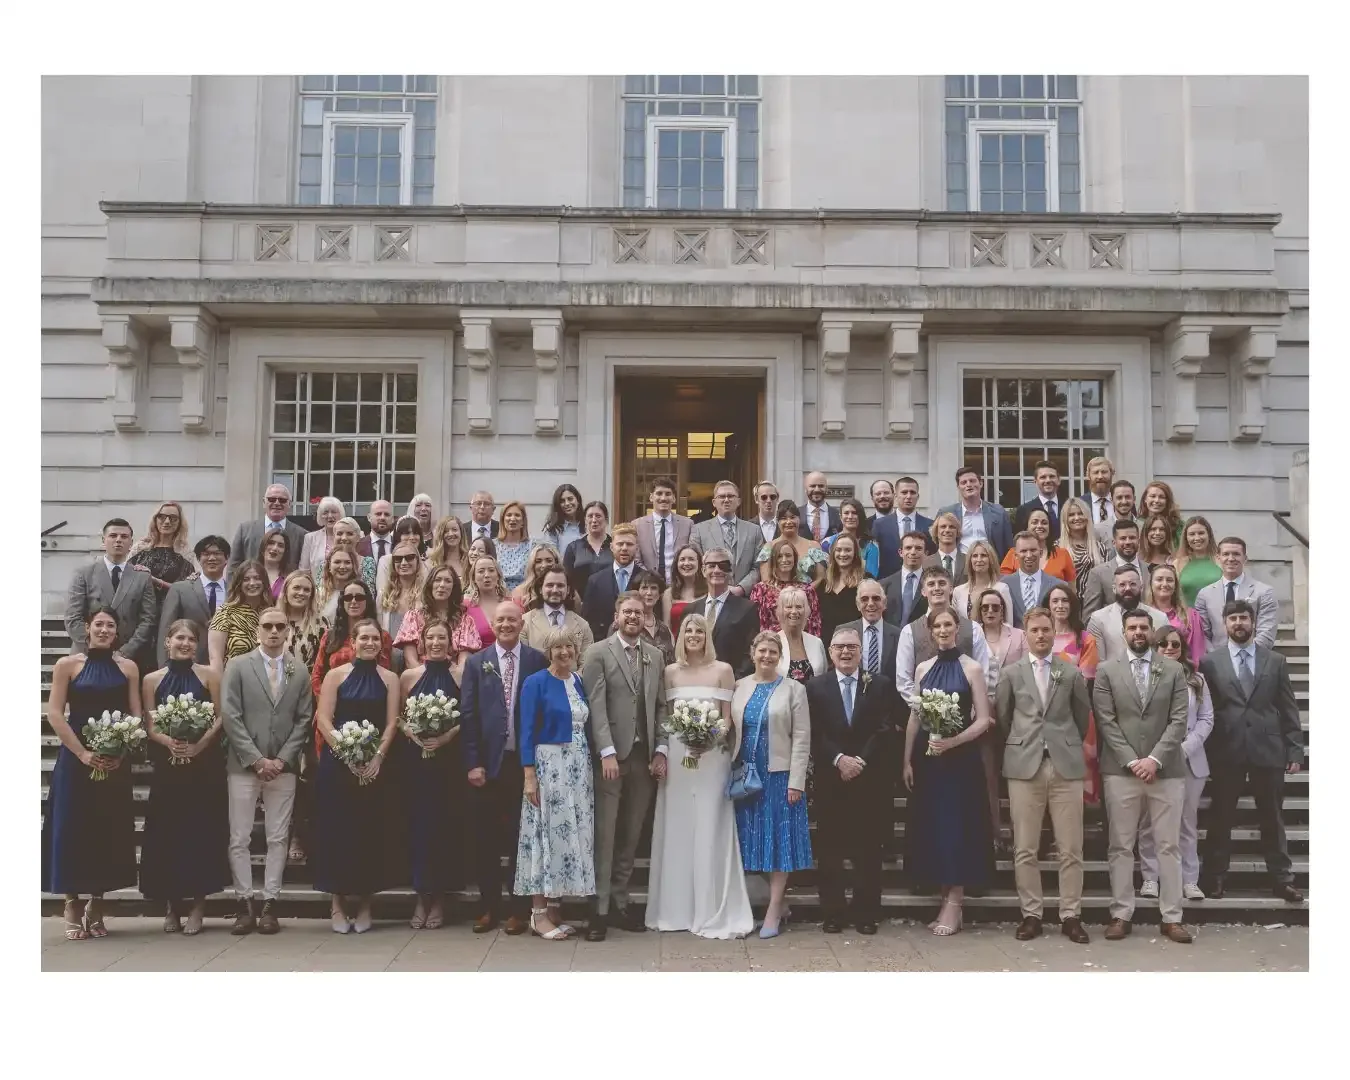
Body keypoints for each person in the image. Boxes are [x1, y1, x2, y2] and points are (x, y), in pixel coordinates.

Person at [646, 614, 751, 937]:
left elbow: (727, 718)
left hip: (712, 756)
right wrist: (674, 747)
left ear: (708, 636)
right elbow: (666, 716)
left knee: (710, 823)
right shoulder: (670, 672)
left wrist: (708, 740)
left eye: (700, 631)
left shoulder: (723, 670)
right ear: (681, 636)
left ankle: (711, 906)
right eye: (689, 630)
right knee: (678, 826)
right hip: (680, 756)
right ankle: (675, 909)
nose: (694, 635)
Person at [41, 608, 142, 940]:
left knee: (106, 828)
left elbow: (135, 714)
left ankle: (97, 903)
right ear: (87, 628)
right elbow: (55, 714)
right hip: (76, 759)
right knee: (73, 828)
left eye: (110, 625)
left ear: (117, 632)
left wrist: (121, 752)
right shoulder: (67, 665)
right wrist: (82, 753)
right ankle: (71, 902)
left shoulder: (128, 668)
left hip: (113, 761)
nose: (104, 629)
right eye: (98, 624)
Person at [1093, 609, 1193, 943]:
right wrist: (1132, 761)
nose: (1138, 632)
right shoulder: (1107, 670)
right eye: (1132, 627)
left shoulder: (1173, 670)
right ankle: (1121, 913)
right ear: (1123, 632)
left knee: (1168, 845)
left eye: (1143, 627)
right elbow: (1106, 721)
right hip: (1121, 771)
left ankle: (1172, 916)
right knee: (1121, 845)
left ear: (1152, 631)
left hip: (1166, 771)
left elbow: (1179, 720)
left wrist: (1154, 759)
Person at [995, 607, 1093, 943]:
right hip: (1025, 765)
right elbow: (1004, 717)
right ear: (1026, 635)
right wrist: (1024, 744)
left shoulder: (1071, 672)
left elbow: (1082, 717)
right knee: (1025, 846)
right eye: (1034, 630)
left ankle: (1071, 914)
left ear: (1054, 632)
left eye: (1046, 630)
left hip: (1065, 765)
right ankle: (1031, 914)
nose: (1040, 635)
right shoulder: (1011, 673)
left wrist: (1063, 743)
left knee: (1071, 847)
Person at [1199, 600, 1304, 904]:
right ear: (1225, 624)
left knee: (1272, 816)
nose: (1238, 623)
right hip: (1226, 748)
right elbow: (1207, 710)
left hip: (1267, 749)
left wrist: (1295, 751)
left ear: (1253, 622)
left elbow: (1288, 708)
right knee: (1221, 817)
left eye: (1244, 618)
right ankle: (1215, 877)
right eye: (1232, 618)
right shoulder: (1210, 662)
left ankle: (1282, 880)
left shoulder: (1275, 661)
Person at [220, 607, 314, 936]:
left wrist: (283, 759)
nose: (274, 632)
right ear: (257, 630)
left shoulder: (299, 670)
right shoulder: (237, 665)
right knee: (239, 836)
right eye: (267, 626)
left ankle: (271, 902)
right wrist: (256, 759)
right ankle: (244, 903)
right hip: (244, 765)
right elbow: (230, 714)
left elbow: (304, 719)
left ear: (288, 631)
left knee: (278, 837)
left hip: (283, 768)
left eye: (279, 626)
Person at [581, 592, 670, 940]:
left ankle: (620, 902)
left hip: (642, 757)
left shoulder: (655, 655)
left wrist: (661, 748)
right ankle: (598, 909)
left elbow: (661, 705)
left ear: (646, 616)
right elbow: (596, 705)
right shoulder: (597, 652)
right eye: (627, 612)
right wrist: (605, 751)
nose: (633, 617)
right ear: (616, 615)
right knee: (605, 835)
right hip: (610, 758)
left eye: (639, 612)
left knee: (631, 835)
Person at [903, 608, 995, 936]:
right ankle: (944, 896)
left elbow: (983, 719)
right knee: (936, 827)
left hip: (960, 760)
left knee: (958, 827)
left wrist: (953, 741)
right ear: (930, 631)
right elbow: (915, 716)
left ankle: (955, 902)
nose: (943, 630)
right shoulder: (923, 668)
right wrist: (906, 760)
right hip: (929, 760)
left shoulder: (972, 668)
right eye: (937, 625)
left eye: (948, 624)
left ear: (957, 628)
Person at [460, 602, 547, 934]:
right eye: (501, 620)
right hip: (487, 764)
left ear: (521, 623)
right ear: (492, 625)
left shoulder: (537, 660)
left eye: (512, 619)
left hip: (522, 764)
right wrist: (473, 763)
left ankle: (518, 910)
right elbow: (468, 715)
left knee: (519, 839)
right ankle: (488, 907)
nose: (506, 625)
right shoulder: (476, 663)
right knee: (485, 839)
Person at [139, 620, 228, 935]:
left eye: (191, 639)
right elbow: (150, 722)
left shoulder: (210, 675)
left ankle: (198, 907)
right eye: (180, 638)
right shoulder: (151, 679)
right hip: (169, 766)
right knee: (168, 834)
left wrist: (198, 745)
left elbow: (220, 716)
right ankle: (171, 906)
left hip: (203, 766)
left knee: (200, 834)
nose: (186, 643)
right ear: (168, 642)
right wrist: (170, 742)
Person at [313, 618, 402, 933]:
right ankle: (337, 904)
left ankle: (365, 904)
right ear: (353, 641)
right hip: (339, 765)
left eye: (375, 639)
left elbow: (392, 722)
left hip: (374, 766)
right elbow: (324, 719)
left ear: (381, 644)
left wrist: (377, 757)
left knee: (369, 833)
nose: (370, 643)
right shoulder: (335, 675)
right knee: (338, 832)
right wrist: (346, 754)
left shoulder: (390, 678)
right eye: (364, 638)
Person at [807, 626, 897, 934]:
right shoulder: (815, 687)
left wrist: (860, 760)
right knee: (830, 850)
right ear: (830, 652)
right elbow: (813, 730)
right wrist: (838, 759)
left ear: (861, 652)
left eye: (852, 647)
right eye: (840, 647)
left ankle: (866, 912)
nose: (846, 652)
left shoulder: (880, 685)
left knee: (868, 849)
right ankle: (833, 912)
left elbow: (885, 727)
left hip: (868, 778)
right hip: (831, 778)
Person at [513, 628, 597, 939]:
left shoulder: (577, 681)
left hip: (578, 768)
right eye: (557, 647)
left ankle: (554, 908)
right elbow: (525, 730)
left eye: (569, 646)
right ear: (548, 652)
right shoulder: (535, 682)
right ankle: (538, 915)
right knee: (544, 834)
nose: (564, 652)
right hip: (549, 766)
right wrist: (529, 775)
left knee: (566, 835)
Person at [732, 632, 812, 938]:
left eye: (772, 652)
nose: (766, 656)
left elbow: (802, 737)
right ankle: (764, 905)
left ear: (780, 657)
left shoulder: (794, 689)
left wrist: (797, 781)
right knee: (751, 841)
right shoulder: (739, 686)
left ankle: (774, 909)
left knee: (779, 844)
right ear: (752, 653)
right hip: (746, 776)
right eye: (762, 650)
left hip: (779, 776)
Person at [399, 618, 467, 931]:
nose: (436, 643)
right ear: (422, 642)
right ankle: (420, 896)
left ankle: (439, 897)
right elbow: (398, 717)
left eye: (442, 638)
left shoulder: (461, 674)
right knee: (419, 828)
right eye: (431, 638)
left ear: (451, 643)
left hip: (449, 762)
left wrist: (446, 736)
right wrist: (413, 733)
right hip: (417, 762)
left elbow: (469, 715)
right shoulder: (409, 676)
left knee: (444, 828)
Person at [1137, 625, 1214, 903]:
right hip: (1154, 759)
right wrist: (1158, 753)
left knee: (1186, 822)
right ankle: (1150, 877)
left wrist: (1184, 748)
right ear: (1154, 647)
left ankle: (1189, 879)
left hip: (1189, 759)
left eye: (1175, 644)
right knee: (1150, 821)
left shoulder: (1197, 680)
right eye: (1163, 644)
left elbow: (1206, 718)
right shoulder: (1143, 677)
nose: (1169, 648)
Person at [277, 569, 326, 863]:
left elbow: (322, 668)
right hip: (276, 704)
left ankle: (299, 833)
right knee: (281, 770)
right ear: (286, 590)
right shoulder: (272, 621)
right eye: (296, 588)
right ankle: (278, 834)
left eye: (307, 589)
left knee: (306, 772)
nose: (301, 593)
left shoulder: (321, 625)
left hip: (309, 703)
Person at [310, 583, 392, 753]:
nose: (353, 601)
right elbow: (317, 675)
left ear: (367, 601)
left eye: (359, 597)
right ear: (342, 602)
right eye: (348, 597)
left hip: (368, 711)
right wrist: (325, 706)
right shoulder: (330, 636)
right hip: (332, 714)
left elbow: (383, 675)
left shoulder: (381, 637)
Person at [895, 567, 993, 705]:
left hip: (965, 711)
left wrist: (972, 707)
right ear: (923, 591)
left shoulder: (974, 628)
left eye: (942, 583)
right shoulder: (909, 631)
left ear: (951, 588)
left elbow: (984, 674)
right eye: (931, 584)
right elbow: (903, 680)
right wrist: (928, 709)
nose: (937, 588)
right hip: (925, 712)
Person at [64, 518, 157, 661]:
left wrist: (125, 652)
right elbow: (73, 617)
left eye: (124, 537)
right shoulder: (84, 573)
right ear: (103, 540)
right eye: (113, 536)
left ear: (131, 543)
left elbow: (148, 620)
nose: (118, 540)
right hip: (86, 654)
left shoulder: (142, 577)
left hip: (126, 657)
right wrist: (94, 646)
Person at [1045, 583, 1103, 808]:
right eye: (1055, 601)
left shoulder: (1086, 639)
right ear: (1048, 606)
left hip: (1077, 711)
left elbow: (1084, 678)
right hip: (1043, 714)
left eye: (1065, 600)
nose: (1060, 605)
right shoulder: (1038, 636)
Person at [978, 588, 1025, 854]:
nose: (990, 612)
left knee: (1018, 777)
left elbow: (1027, 671)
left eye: (995, 607)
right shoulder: (972, 636)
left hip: (1016, 715)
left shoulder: (1019, 636)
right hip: (982, 716)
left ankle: (1022, 838)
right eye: (985, 607)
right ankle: (995, 834)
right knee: (988, 779)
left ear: (1003, 610)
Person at [128, 502, 199, 668]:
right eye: (162, 517)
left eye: (173, 518)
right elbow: (126, 579)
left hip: (170, 614)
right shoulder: (140, 548)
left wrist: (155, 581)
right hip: (139, 614)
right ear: (155, 519)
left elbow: (188, 589)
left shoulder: (186, 552)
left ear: (179, 523)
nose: (167, 521)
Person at [394, 563, 483, 681]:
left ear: (454, 587)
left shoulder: (465, 621)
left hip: (453, 680)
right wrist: (427, 680)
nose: (442, 585)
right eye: (437, 580)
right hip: (420, 679)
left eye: (447, 581)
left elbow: (463, 664)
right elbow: (410, 660)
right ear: (430, 584)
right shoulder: (413, 617)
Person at [1195, 536, 1279, 650]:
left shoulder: (1264, 592)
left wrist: (1244, 655)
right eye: (1226, 554)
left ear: (1245, 558)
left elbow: (1266, 633)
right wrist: (1216, 657)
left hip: (1253, 657)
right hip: (1216, 657)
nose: (1231, 558)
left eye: (1236, 554)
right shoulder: (1204, 594)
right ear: (1218, 558)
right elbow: (1203, 634)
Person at [157, 535, 230, 667]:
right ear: (198, 559)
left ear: (227, 558)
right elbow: (166, 629)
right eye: (206, 554)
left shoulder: (234, 592)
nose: (212, 558)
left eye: (217, 553)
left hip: (226, 664)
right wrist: (164, 667)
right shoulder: (180, 589)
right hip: (188, 664)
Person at [687, 547, 759, 679]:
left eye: (723, 566)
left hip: (730, 683)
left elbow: (750, 652)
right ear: (703, 570)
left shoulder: (747, 608)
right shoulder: (691, 609)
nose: (717, 570)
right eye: (711, 566)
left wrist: (733, 682)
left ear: (731, 571)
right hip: (693, 680)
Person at [1084, 565, 1168, 663]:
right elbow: (1098, 662)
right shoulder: (1098, 619)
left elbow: (1165, 658)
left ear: (1141, 587)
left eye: (1132, 584)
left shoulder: (1160, 618)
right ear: (1114, 589)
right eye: (1122, 585)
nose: (1128, 588)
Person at [691, 480, 763, 594]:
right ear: (714, 502)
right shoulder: (699, 530)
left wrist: (741, 588)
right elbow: (697, 566)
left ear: (738, 501)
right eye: (721, 496)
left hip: (745, 597)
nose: (726, 500)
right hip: (712, 595)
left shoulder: (754, 530)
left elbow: (758, 566)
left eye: (730, 496)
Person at [939, 465, 1014, 561]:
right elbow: (937, 543)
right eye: (964, 482)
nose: (968, 485)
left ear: (981, 483)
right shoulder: (947, 513)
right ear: (958, 487)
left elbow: (1009, 546)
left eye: (972, 481)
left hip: (991, 566)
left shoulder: (999, 512)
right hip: (959, 566)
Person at [582, 522, 641, 643]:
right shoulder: (595, 581)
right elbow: (587, 620)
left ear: (637, 548)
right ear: (611, 547)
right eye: (620, 544)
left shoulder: (645, 579)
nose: (624, 548)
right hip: (603, 644)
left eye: (629, 544)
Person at [751, 536, 823, 636]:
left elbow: (815, 623)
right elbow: (753, 624)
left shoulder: (807, 590)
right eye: (779, 556)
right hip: (771, 642)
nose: (784, 560)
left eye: (788, 555)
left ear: (794, 559)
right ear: (773, 560)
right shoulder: (761, 589)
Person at [227, 484, 307, 573]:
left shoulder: (302, 535)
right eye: (271, 499)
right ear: (264, 502)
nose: (277, 503)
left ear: (289, 504)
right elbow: (233, 567)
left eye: (282, 500)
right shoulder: (245, 530)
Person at [207, 560, 271, 671]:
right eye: (246, 579)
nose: (252, 583)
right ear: (239, 584)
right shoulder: (225, 612)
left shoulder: (270, 613)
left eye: (257, 578)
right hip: (233, 677)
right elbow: (215, 658)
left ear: (264, 582)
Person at [1081, 519, 1148, 621]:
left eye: (1132, 538)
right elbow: (1089, 616)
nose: (1128, 542)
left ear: (1139, 541)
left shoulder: (1151, 570)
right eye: (1123, 538)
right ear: (1114, 543)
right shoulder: (1098, 573)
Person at [521, 565, 595, 656]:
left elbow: (587, 660)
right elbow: (523, 659)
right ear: (540, 589)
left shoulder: (583, 625)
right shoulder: (524, 623)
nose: (555, 590)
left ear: (568, 590)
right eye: (550, 585)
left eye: (560, 586)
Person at [838, 578, 900, 684]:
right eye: (864, 599)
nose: (870, 603)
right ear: (858, 605)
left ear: (884, 603)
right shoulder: (843, 632)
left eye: (876, 598)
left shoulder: (899, 635)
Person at [633, 475, 693, 585]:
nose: (663, 498)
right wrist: (651, 580)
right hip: (649, 586)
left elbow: (692, 556)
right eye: (659, 493)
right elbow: (636, 559)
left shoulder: (687, 524)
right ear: (651, 497)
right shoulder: (637, 525)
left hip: (679, 585)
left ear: (674, 498)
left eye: (668, 494)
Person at [1001, 530, 1069, 628]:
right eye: (1023, 551)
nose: (1029, 555)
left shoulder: (1058, 585)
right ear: (1015, 555)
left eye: (1033, 550)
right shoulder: (1004, 585)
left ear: (1040, 553)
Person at [752, 500, 827, 585]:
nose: (788, 522)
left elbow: (820, 578)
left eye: (792, 517)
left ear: (799, 519)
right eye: (784, 518)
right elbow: (766, 580)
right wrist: (784, 592)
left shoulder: (814, 546)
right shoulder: (769, 547)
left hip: (808, 592)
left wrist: (805, 591)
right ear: (777, 521)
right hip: (775, 592)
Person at [610, 569, 675, 665]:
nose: (649, 593)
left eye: (653, 588)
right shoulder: (623, 623)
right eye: (644, 588)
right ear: (637, 592)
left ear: (659, 594)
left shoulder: (664, 629)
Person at [999, 507, 1076, 585]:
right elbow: (1004, 585)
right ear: (1027, 526)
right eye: (1034, 522)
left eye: (1044, 523)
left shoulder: (1062, 554)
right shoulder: (1013, 553)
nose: (1039, 526)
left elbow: (1071, 587)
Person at [1147, 564, 1205, 665]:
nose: (1165, 584)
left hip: (1184, 670)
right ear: (1151, 584)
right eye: (1159, 579)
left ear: (1175, 586)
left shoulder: (1191, 615)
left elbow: (1198, 652)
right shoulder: (1144, 615)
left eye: (1169, 580)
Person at [378, 539, 426, 657]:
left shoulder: (427, 594)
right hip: (389, 657)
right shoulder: (384, 595)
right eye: (398, 559)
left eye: (409, 558)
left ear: (417, 561)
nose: (404, 563)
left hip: (418, 656)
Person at [814, 533, 864, 646]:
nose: (842, 554)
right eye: (839, 550)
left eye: (848, 550)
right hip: (826, 645)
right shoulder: (824, 584)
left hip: (852, 645)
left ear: (855, 553)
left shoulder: (864, 581)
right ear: (833, 553)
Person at [1060, 496, 1109, 609]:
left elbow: (1106, 581)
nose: (1077, 518)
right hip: (1066, 606)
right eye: (1071, 515)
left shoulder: (1100, 548)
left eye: (1080, 513)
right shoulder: (1057, 548)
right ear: (1065, 519)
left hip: (1095, 606)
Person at [952, 539, 1012, 625]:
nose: (979, 559)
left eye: (983, 555)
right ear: (970, 560)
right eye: (975, 556)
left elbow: (1008, 624)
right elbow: (955, 624)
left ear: (991, 560)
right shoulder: (958, 591)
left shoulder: (1002, 589)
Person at [774, 585, 826, 683]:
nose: (794, 611)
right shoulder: (773, 643)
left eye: (798, 607)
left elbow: (824, 676)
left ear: (806, 611)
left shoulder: (816, 642)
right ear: (780, 611)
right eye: (789, 607)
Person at [563, 499, 613, 599]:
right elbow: (566, 578)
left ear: (606, 520)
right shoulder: (574, 548)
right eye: (590, 516)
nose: (594, 520)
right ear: (585, 520)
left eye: (598, 516)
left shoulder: (615, 546)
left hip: (611, 601)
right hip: (581, 602)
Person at [822, 497, 880, 578]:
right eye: (846, 513)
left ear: (860, 516)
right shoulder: (827, 543)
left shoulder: (870, 545)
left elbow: (871, 577)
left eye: (854, 513)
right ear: (840, 517)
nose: (850, 516)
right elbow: (823, 574)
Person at [880, 530, 929, 628]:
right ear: (901, 552)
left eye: (918, 548)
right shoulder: (883, 585)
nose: (913, 552)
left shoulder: (932, 584)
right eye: (908, 548)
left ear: (926, 553)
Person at [1173, 515, 1222, 608]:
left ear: (1209, 535)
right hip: (1187, 615)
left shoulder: (1221, 561)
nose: (1197, 538)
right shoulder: (1178, 564)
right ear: (1186, 538)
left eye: (1201, 533)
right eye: (1192, 534)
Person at [320, 517, 379, 594]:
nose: (344, 538)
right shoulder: (324, 563)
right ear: (334, 537)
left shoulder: (367, 563)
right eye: (340, 533)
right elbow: (318, 593)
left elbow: (369, 595)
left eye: (349, 534)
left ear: (358, 538)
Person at [464, 554, 508, 648]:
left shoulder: (510, 603)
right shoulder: (465, 607)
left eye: (491, 570)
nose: (487, 575)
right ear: (474, 578)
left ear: (498, 576)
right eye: (481, 571)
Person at [373, 516, 426, 595]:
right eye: (406, 533)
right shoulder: (386, 561)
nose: (412, 537)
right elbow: (382, 592)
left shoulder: (428, 561)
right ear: (398, 536)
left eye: (415, 533)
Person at [661, 542, 707, 631]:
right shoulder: (668, 594)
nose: (686, 563)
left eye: (691, 559)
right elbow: (667, 628)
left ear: (700, 563)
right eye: (682, 559)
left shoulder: (709, 590)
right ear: (676, 564)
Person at [1014, 460, 1065, 534]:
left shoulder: (1068, 506)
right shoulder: (1024, 510)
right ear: (1035, 482)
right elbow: (1020, 538)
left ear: (1059, 480)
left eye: (1052, 476)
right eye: (1043, 477)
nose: (1048, 480)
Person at [493, 500, 533, 593]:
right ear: (503, 520)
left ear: (523, 521)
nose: (513, 518)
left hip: (525, 593)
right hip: (497, 593)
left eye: (517, 515)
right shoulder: (492, 545)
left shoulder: (533, 546)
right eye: (509, 515)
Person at [299, 496, 345, 576]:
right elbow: (304, 571)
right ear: (320, 516)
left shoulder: (350, 536)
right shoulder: (310, 538)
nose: (330, 516)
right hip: (317, 583)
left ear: (340, 514)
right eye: (325, 513)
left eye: (334, 512)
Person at [510, 542, 561, 610]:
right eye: (538, 561)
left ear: (556, 563)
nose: (544, 565)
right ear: (533, 565)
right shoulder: (519, 592)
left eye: (549, 560)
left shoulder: (566, 590)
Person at [316, 547, 360, 622]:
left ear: (353, 566)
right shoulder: (317, 594)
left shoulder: (360, 594)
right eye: (337, 562)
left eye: (347, 562)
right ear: (329, 566)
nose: (342, 567)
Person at [540, 482, 585, 554]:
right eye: (562, 501)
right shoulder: (553, 529)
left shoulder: (588, 524)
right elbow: (550, 556)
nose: (567, 503)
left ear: (578, 500)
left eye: (570, 499)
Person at [923, 511, 967, 585]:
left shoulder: (968, 560)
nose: (947, 530)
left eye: (952, 527)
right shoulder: (925, 563)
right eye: (943, 526)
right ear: (936, 532)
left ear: (957, 532)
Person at [1141, 481, 1184, 548]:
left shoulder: (1179, 526)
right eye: (1153, 496)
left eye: (1161, 497)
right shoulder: (1138, 524)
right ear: (1145, 499)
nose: (1157, 500)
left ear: (1167, 501)